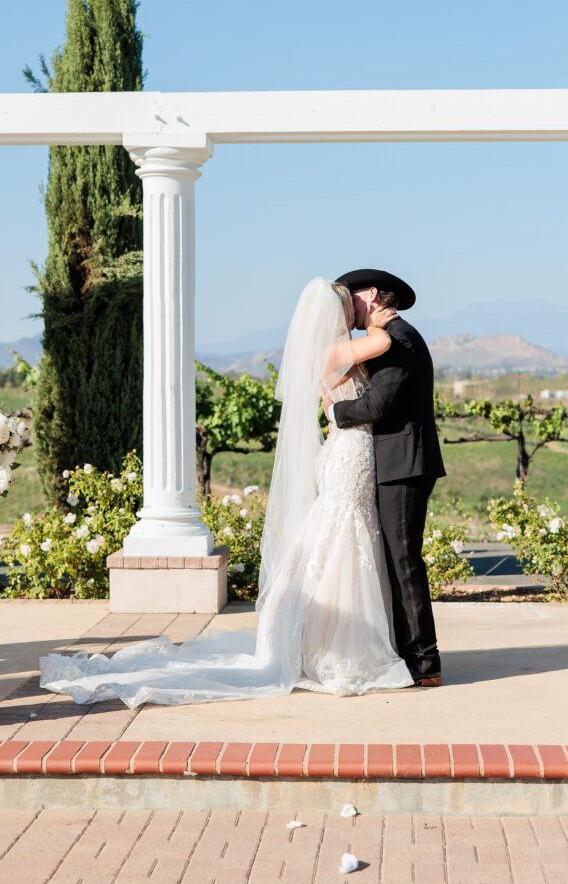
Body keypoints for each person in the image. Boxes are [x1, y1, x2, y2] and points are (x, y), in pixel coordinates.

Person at [38, 277, 415, 707]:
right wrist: (379, 320)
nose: (354, 313)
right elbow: (382, 344)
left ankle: (332, 637)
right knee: (343, 534)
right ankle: (336, 646)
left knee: (341, 534)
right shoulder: (334, 351)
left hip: (349, 452)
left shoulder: (328, 351)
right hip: (349, 454)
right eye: (347, 307)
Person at [324, 269, 446, 686]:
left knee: (404, 560)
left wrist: (334, 413)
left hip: (405, 464)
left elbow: (378, 406)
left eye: (353, 298)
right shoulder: (386, 339)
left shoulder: (400, 340)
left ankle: (425, 663)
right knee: (394, 560)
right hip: (393, 462)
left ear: (372, 295)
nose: (349, 308)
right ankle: (401, 650)